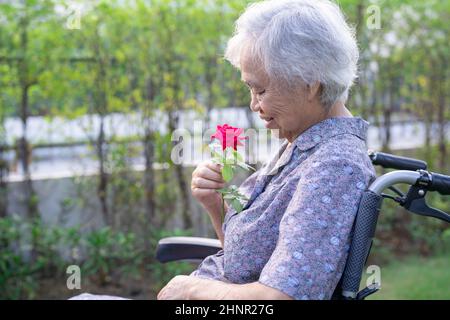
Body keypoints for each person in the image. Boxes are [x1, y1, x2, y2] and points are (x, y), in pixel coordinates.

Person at [157, 0, 376, 300]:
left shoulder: (334, 166)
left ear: (310, 83)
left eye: (260, 90)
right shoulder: (303, 143)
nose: (253, 105)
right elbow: (247, 263)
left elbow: (282, 297)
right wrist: (214, 204)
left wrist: (193, 289)